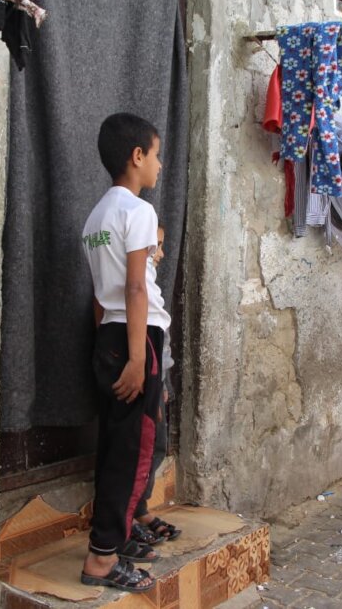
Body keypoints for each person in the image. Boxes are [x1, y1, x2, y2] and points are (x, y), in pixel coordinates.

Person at [79, 112, 170, 593]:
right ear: (137, 157)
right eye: (156, 155)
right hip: (137, 338)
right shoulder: (138, 212)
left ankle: (114, 540)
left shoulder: (96, 216)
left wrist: (109, 348)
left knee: (114, 446)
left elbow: (101, 295)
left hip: (109, 335)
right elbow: (136, 288)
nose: (159, 165)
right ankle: (101, 559)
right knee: (132, 449)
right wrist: (137, 358)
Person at [129, 224, 182, 547]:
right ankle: (131, 513)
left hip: (155, 378)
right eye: (156, 246)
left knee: (155, 445)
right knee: (140, 448)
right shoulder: (136, 288)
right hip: (143, 376)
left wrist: (161, 383)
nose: (161, 253)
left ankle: (140, 508)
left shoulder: (149, 286)